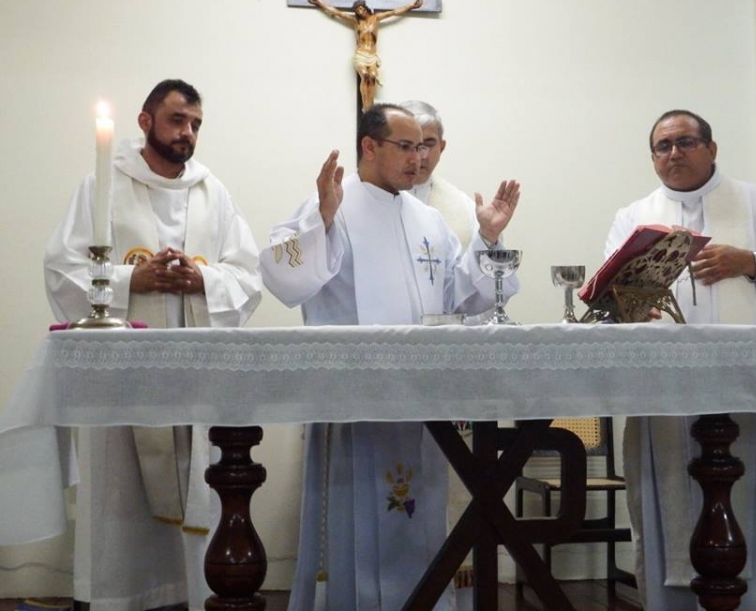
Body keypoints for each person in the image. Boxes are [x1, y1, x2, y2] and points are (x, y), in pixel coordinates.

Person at [260, 103, 521, 611]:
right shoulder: (332, 205)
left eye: (422, 147)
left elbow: (461, 298)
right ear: (369, 146)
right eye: (405, 146)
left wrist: (487, 237)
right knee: (355, 520)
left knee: (417, 521)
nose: (417, 158)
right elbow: (281, 276)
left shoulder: (427, 219)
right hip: (351, 401)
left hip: (419, 402)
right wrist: (321, 220)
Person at [44, 79, 262, 611]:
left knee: (196, 487)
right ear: (145, 121)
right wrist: (129, 281)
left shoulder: (213, 192)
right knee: (119, 495)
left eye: (195, 124)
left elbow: (248, 277)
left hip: (193, 376)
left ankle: (190, 594)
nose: (187, 132)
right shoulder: (103, 186)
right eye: (177, 119)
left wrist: (201, 279)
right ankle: (118, 598)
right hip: (122, 379)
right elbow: (61, 270)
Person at [605, 109, 756, 611]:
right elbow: (611, 295)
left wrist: (752, 262)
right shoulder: (634, 217)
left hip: (752, 387)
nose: (674, 153)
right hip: (667, 391)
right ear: (653, 158)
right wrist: (633, 306)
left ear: (712, 148)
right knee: (670, 492)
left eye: (685, 142)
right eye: (663, 146)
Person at [307, 0, 424, 111]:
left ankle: (370, 105)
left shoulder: (376, 18)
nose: (360, 12)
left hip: (372, 55)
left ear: (365, 8)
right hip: (361, 54)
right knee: (365, 74)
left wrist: (411, 6)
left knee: (372, 76)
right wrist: (318, 2)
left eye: (361, 9)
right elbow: (337, 13)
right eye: (357, 11)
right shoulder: (355, 21)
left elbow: (393, 12)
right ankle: (365, 105)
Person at [401, 100, 478, 250]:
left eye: (429, 144)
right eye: (407, 145)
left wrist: (489, 236)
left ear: (441, 148)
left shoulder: (466, 209)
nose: (421, 156)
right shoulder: (373, 200)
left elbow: (477, 263)